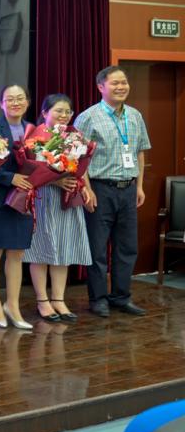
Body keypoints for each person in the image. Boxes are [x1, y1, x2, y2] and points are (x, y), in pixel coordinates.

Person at [74, 65, 151, 317]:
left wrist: (139, 186)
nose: (121, 87)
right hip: (100, 188)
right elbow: (79, 158)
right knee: (97, 248)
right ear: (101, 87)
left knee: (127, 247)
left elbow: (140, 152)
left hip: (128, 189)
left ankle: (121, 296)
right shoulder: (88, 117)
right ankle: (98, 299)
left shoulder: (135, 115)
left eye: (124, 82)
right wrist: (87, 189)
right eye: (115, 83)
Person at [24, 94, 94, 322]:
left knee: (64, 248)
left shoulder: (74, 137)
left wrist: (83, 186)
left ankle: (59, 299)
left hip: (67, 198)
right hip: (43, 197)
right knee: (41, 250)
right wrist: (55, 181)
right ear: (45, 112)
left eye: (67, 112)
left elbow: (80, 168)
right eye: (58, 111)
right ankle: (42, 300)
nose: (64, 115)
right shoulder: (35, 136)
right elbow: (29, 171)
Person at [0, 84, 35, 330]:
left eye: (20, 98)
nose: (16, 103)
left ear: (27, 102)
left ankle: (12, 305)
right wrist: (8, 178)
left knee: (17, 254)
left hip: (24, 199)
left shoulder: (34, 130)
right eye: (10, 99)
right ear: (1, 103)